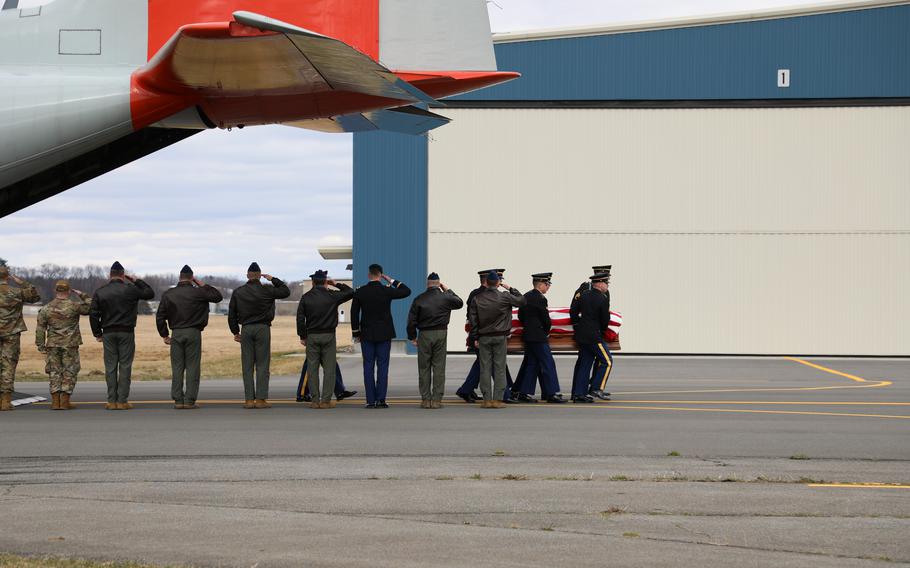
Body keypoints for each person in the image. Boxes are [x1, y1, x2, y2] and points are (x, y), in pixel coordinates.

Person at [156, 265, 223, 410]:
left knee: (177, 367)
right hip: (193, 332)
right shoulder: (199, 293)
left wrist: (164, 334)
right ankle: (189, 400)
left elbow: (160, 316)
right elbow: (218, 297)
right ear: (192, 278)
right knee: (193, 367)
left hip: (177, 332)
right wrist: (202, 284)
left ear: (179, 277)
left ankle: (178, 400)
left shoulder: (169, 294)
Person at [90, 262, 155, 410]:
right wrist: (136, 280)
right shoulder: (130, 289)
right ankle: (122, 400)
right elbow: (150, 293)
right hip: (126, 332)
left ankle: (111, 401)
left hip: (108, 332)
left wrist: (97, 333)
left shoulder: (101, 291)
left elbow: (93, 314)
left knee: (110, 367)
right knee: (125, 366)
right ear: (123, 275)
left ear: (110, 275)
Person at [228, 263, 290, 409]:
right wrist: (273, 279)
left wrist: (236, 332)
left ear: (247, 275)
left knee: (247, 365)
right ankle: (261, 399)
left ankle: (249, 399)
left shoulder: (239, 292)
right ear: (260, 275)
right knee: (262, 364)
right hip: (263, 328)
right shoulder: (267, 290)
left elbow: (231, 315)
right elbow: (285, 291)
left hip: (247, 329)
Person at [351, 264, 410, 408]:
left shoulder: (361, 291)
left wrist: (356, 333)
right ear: (380, 275)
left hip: (366, 334)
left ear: (368, 274)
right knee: (383, 367)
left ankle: (370, 401)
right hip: (384, 334)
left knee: (368, 367)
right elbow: (406, 291)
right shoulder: (386, 290)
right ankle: (381, 400)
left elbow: (354, 313)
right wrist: (391, 281)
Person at [456, 269, 516, 403]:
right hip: (487, 335)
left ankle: (467, 390)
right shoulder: (483, 295)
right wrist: (474, 338)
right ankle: (502, 395)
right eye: (499, 280)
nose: (500, 282)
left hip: (482, 336)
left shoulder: (477, 295)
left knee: (483, 365)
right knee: (493, 366)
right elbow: (472, 319)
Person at [468, 270, 526, 408]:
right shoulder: (505, 296)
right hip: (500, 337)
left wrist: (475, 337)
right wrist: (511, 288)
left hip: (484, 337)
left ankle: (487, 400)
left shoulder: (477, 299)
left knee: (485, 368)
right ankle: (498, 399)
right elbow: (522, 301)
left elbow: (473, 321)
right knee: (499, 368)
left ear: (486, 283)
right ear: (498, 283)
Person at [297, 270, 355, 409]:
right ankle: (326, 401)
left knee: (312, 369)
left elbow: (300, 318)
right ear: (325, 282)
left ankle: (315, 400)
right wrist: (335, 283)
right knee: (329, 370)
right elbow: (350, 292)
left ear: (312, 282)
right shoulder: (332, 295)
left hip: (312, 335)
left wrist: (302, 336)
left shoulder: (306, 297)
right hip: (329, 335)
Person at [407, 273, 463, 409]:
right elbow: (460, 302)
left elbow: (411, 321)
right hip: (441, 333)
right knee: (439, 367)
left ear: (427, 284)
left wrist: (412, 337)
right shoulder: (446, 297)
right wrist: (448, 290)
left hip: (424, 334)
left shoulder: (419, 299)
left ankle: (426, 400)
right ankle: (437, 400)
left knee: (424, 367)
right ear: (439, 284)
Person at [35, 280, 90, 410]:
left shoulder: (46, 308)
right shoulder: (74, 306)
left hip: (53, 345)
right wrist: (82, 294)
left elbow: (40, 329)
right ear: (68, 291)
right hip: (70, 344)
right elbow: (91, 306)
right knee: (69, 371)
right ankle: (65, 401)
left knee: (54, 372)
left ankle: (55, 402)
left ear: (55, 291)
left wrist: (41, 345)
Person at [513, 273, 565, 404]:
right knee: (548, 363)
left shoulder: (525, 296)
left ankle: (524, 393)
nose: (548, 287)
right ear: (541, 284)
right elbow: (545, 320)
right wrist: (545, 331)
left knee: (532, 363)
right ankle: (552, 393)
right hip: (538, 336)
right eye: (547, 285)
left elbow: (520, 316)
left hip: (528, 335)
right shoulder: (541, 299)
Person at [0, 264, 41, 411]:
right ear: (8, 277)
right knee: (8, 365)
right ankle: (5, 401)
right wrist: (22, 283)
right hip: (11, 333)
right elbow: (35, 296)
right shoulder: (16, 292)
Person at [570, 272, 613, 403]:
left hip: (582, 335)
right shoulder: (602, 298)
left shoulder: (583, 295)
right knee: (607, 361)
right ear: (600, 284)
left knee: (585, 364)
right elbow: (605, 320)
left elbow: (573, 311)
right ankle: (596, 388)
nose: (607, 286)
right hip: (594, 336)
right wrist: (602, 330)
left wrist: (578, 325)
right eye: (606, 283)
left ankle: (579, 394)